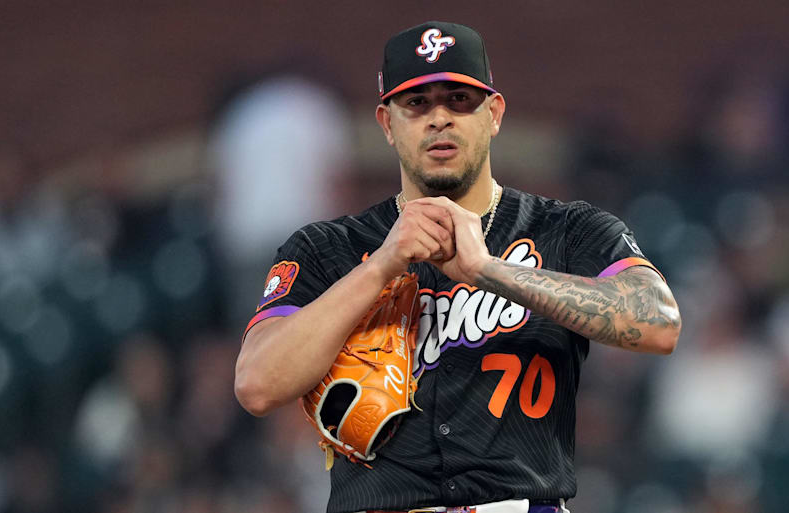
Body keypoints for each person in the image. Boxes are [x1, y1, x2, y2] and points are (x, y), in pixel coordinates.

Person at [234, 21, 682, 513]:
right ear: (387, 124)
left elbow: (659, 321)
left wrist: (489, 271)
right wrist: (379, 267)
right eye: (417, 103)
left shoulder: (566, 228)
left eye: (459, 100)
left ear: (494, 113)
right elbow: (257, 385)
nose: (439, 118)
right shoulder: (326, 249)